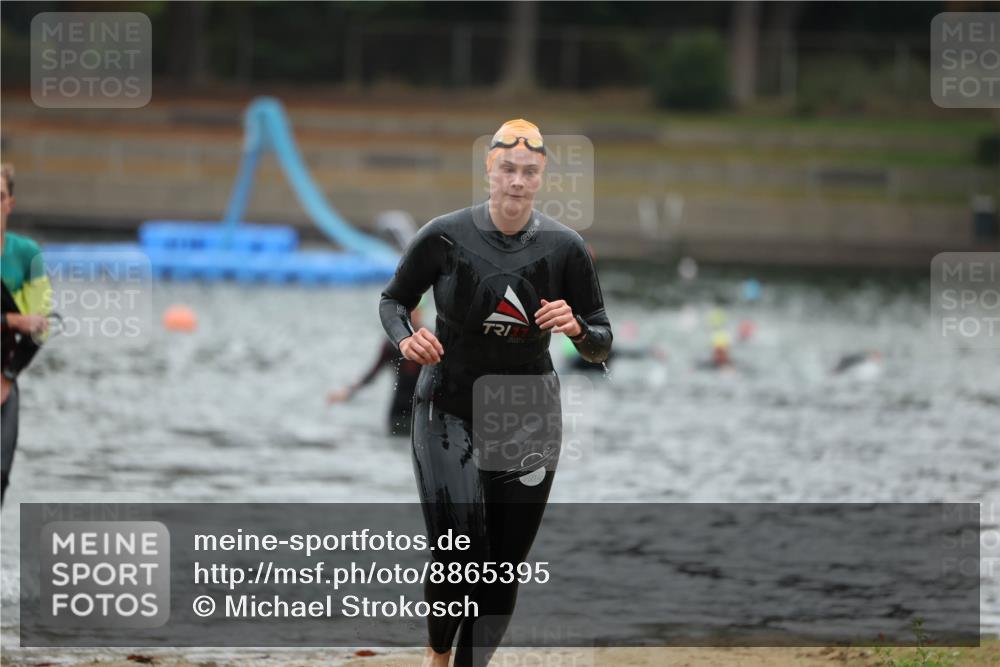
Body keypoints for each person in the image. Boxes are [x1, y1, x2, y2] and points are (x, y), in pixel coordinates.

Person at [378, 120, 612, 667]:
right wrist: (407, 339)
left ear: (541, 178)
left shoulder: (565, 248)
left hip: (527, 413)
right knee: (462, 553)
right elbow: (392, 302)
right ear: (489, 170)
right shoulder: (444, 236)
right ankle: (438, 653)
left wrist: (576, 329)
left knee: (504, 567)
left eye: (529, 172)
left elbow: (601, 343)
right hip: (449, 405)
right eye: (507, 169)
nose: (517, 182)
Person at [1, 163, 52, 504]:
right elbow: (22, 323)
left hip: (3, 378)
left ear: (9, 204)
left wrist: (7, 376)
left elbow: (42, 325)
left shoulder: (27, 254)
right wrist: (11, 321)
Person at [327, 308, 424, 437]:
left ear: (421, 313)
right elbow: (373, 372)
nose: (414, 316)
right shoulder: (393, 344)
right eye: (410, 311)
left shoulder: (430, 341)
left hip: (421, 408)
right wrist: (348, 391)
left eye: (417, 311)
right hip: (398, 409)